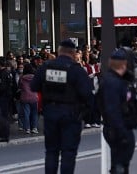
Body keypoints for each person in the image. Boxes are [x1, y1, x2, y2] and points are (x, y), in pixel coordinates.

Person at [31, 39, 93, 174]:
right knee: (68, 152)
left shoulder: (46, 67)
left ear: (59, 51)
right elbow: (88, 94)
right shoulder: (76, 70)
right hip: (71, 113)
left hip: (50, 112)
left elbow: (33, 86)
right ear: (73, 53)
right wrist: (84, 113)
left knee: (51, 151)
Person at [100, 50, 137, 174]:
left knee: (120, 162)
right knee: (120, 164)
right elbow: (113, 109)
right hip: (119, 128)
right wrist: (121, 131)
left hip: (120, 127)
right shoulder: (113, 83)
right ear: (124, 64)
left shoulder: (119, 80)